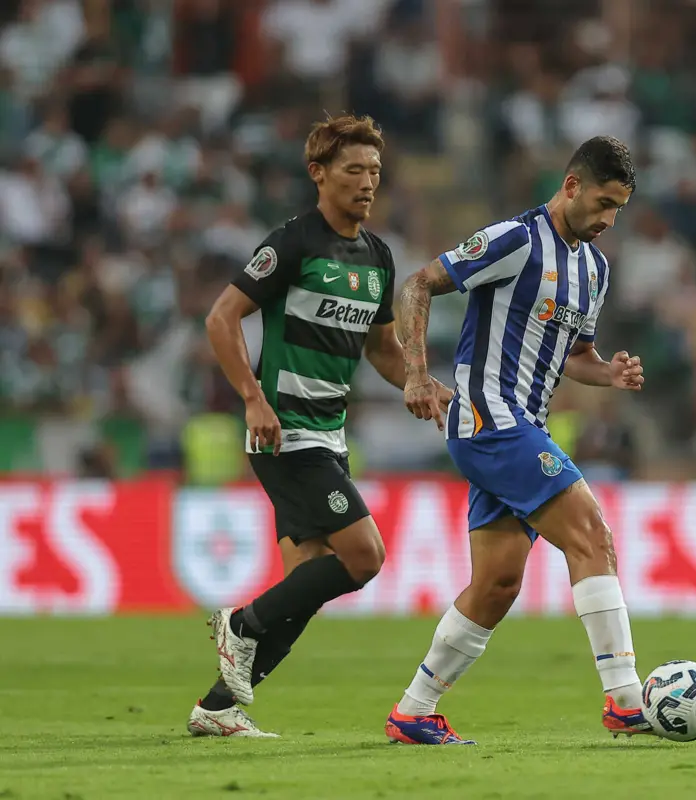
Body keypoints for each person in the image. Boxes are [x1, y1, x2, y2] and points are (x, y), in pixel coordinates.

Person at [187, 114, 452, 737]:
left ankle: (217, 709)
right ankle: (240, 626)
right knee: (365, 556)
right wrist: (253, 399)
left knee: (303, 592)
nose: (367, 183)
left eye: (375, 172)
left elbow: (383, 350)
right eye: (353, 170)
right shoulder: (293, 243)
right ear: (319, 175)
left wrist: (419, 378)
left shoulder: (379, 257)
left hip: (329, 437)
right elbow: (221, 320)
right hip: (284, 434)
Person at [385, 135, 649, 745]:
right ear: (573, 186)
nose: (610, 220)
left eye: (621, 209)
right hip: (489, 418)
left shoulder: (595, 268)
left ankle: (413, 711)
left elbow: (574, 354)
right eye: (605, 203)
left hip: (524, 423)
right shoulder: (515, 239)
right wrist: (418, 373)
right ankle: (627, 702)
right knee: (593, 536)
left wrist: (607, 371)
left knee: (498, 583)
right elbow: (418, 285)